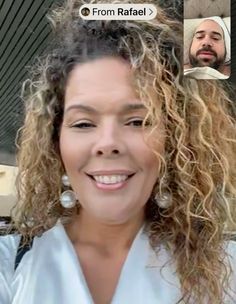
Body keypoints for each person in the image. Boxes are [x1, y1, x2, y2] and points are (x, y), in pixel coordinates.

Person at [0, 0, 236, 303]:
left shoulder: (223, 272)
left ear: (175, 139)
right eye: (84, 123)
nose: (108, 143)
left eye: (137, 121)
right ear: (55, 141)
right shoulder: (11, 266)